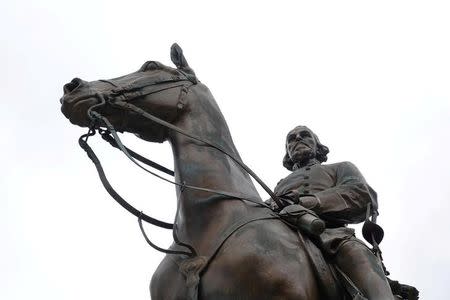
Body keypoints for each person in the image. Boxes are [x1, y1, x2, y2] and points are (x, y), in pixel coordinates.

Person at [267, 125, 395, 300]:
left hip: (332, 235)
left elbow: (361, 194)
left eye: (305, 135)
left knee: (359, 257)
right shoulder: (279, 185)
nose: (297, 139)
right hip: (281, 232)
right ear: (287, 152)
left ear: (318, 146)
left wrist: (310, 201)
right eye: (291, 138)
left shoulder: (341, 167)